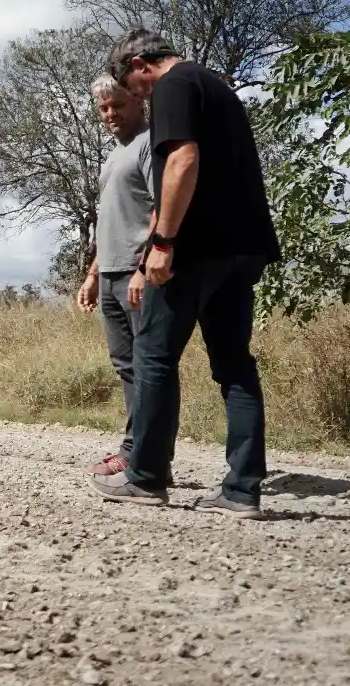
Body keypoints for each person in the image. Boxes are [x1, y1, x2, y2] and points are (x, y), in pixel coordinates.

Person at [90, 28, 281, 520]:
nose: (138, 97)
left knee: (153, 357)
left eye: (134, 89)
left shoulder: (176, 84)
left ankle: (147, 478)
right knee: (235, 365)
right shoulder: (218, 87)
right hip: (245, 247)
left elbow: (182, 160)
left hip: (197, 250)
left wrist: (162, 242)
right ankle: (242, 491)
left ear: (138, 64)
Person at [77, 73, 160, 478]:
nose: (110, 113)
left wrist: (145, 268)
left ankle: (143, 457)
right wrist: (93, 273)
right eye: (104, 108)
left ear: (138, 101)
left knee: (147, 367)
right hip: (109, 272)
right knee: (125, 366)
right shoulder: (113, 155)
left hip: (136, 273)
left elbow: (164, 209)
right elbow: (108, 220)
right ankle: (141, 453)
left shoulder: (150, 144)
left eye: (118, 105)